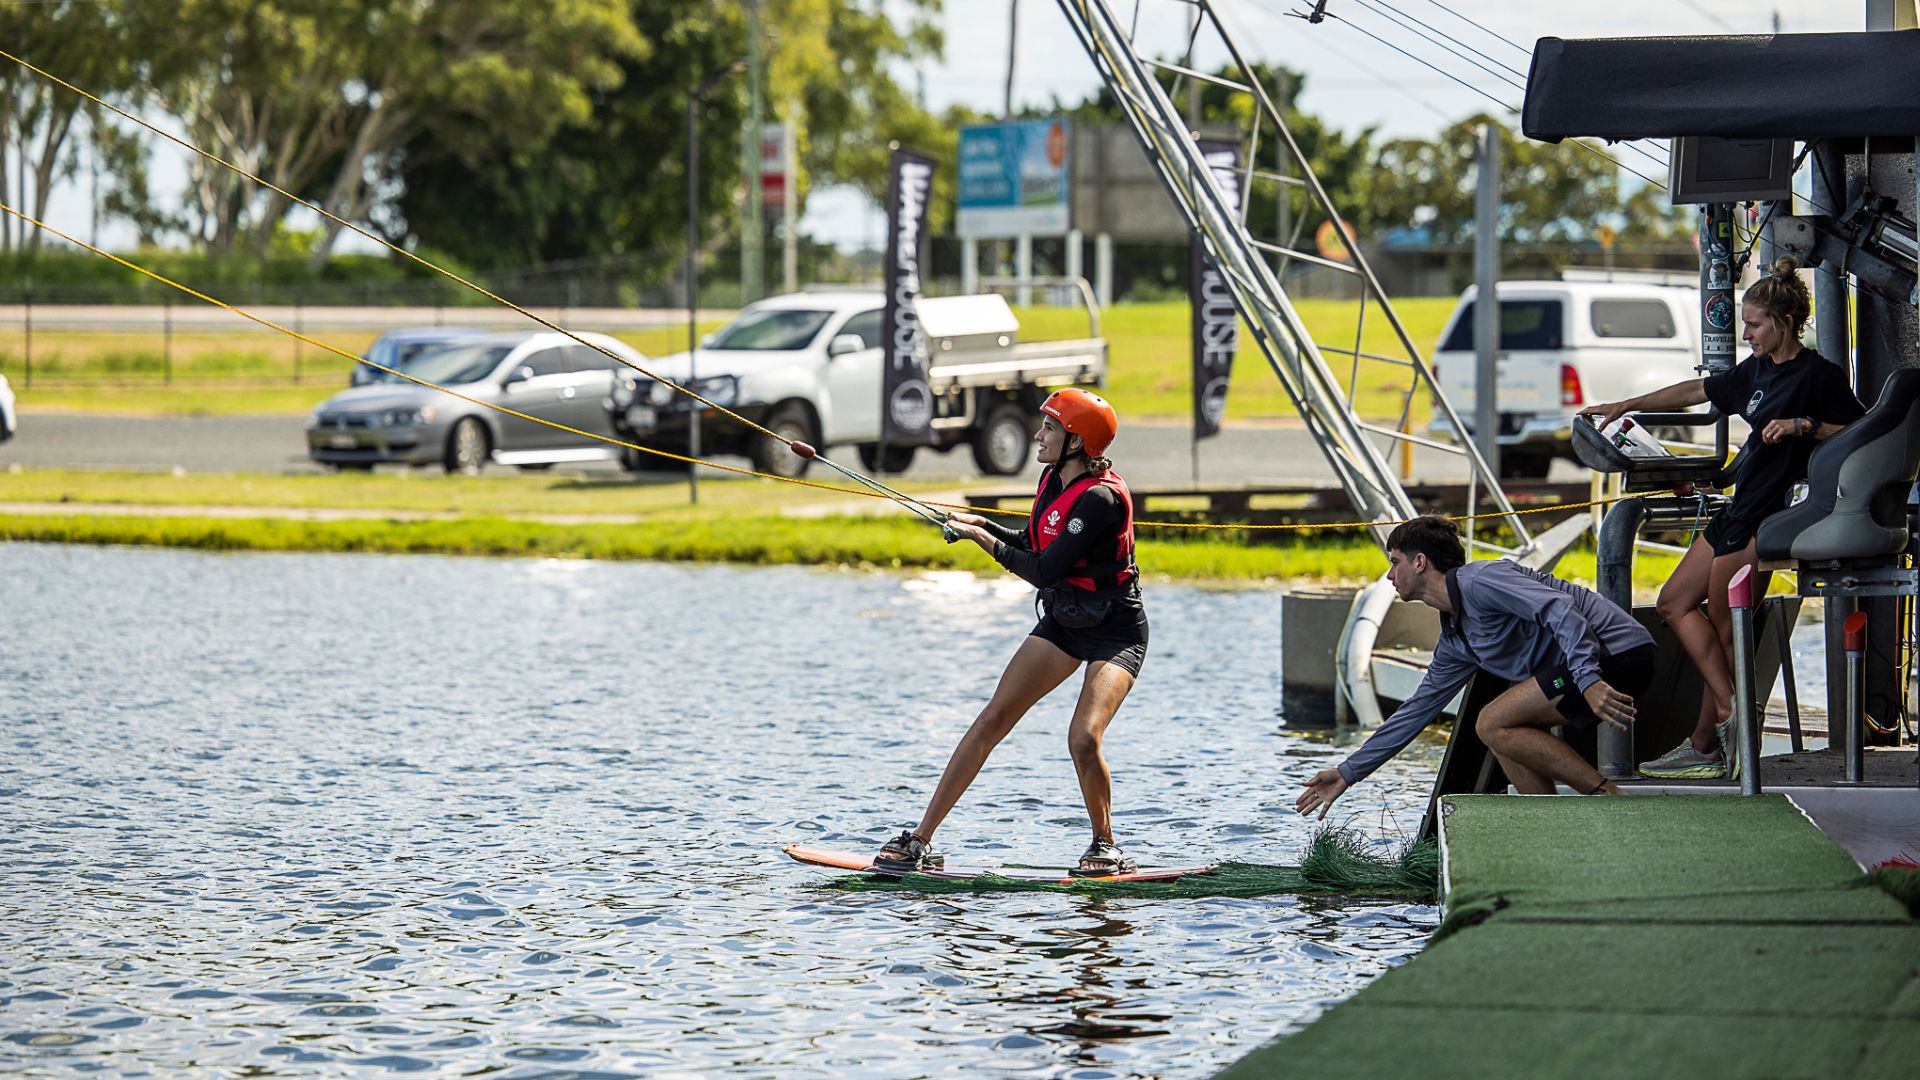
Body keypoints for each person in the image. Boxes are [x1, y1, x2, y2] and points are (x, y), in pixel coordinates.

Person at [1583, 258, 1864, 779]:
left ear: (1783, 320)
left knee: (1724, 625)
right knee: (1673, 602)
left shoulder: (1818, 375)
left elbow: (1860, 431)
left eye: (1754, 324)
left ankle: (1714, 739)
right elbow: (1696, 393)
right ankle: (1725, 723)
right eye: (1744, 323)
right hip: (1737, 508)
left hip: (1770, 519)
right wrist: (1627, 406)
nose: (1746, 333)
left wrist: (1804, 425)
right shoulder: (1754, 371)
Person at [874, 388, 1149, 876]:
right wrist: (977, 522)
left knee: (1083, 737)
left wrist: (979, 536)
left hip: (1116, 631)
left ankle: (1105, 846)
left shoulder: (1101, 499)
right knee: (992, 719)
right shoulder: (1052, 479)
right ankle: (920, 839)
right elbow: (1035, 541)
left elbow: (1044, 570)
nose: (1038, 435)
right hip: (1066, 622)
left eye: (1049, 428)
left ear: (1077, 442)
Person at [1295, 515, 1656, 819]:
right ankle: (1549, 826)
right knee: (1501, 735)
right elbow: (1415, 711)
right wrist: (1347, 773)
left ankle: (1608, 798)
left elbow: (1560, 607)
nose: (1389, 575)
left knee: (1491, 720)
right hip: (1580, 670)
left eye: (1394, 561)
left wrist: (1588, 679)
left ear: (1420, 562)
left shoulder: (1480, 581)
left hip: (1617, 654)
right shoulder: (1455, 638)